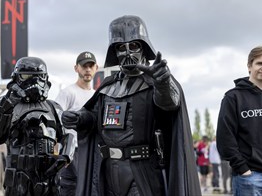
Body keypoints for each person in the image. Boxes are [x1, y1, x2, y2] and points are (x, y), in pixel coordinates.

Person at [62, 15, 201, 196]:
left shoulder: (154, 81)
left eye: (133, 46)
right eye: (121, 47)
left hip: (142, 169)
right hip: (108, 168)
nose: (127, 52)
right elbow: (94, 117)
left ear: (143, 47)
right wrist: (80, 118)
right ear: (114, 51)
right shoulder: (108, 85)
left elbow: (169, 105)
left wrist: (163, 83)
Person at [0, 57, 69, 196]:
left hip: (49, 178)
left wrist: (65, 156)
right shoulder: (4, 105)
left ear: (45, 78)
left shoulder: (53, 108)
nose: (32, 82)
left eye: (38, 77)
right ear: (16, 78)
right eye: (26, 76)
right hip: (18, 180)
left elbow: (67, 136)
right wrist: (7, 107)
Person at [216, 45, 262, 196]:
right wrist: (243, 169)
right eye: (259, 63)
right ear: (249, 66)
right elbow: (225, 138)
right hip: (250, 178)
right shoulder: (233, 98)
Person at [55, 51, 98, 196]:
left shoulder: (97, 96)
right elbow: (55, 121)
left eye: (91, 66)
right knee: (71, 190)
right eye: (84, 66)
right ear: (76, 68)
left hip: (92, 151)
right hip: (72, 153)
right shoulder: (68, 93)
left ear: (96, 68)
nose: (87, 69)